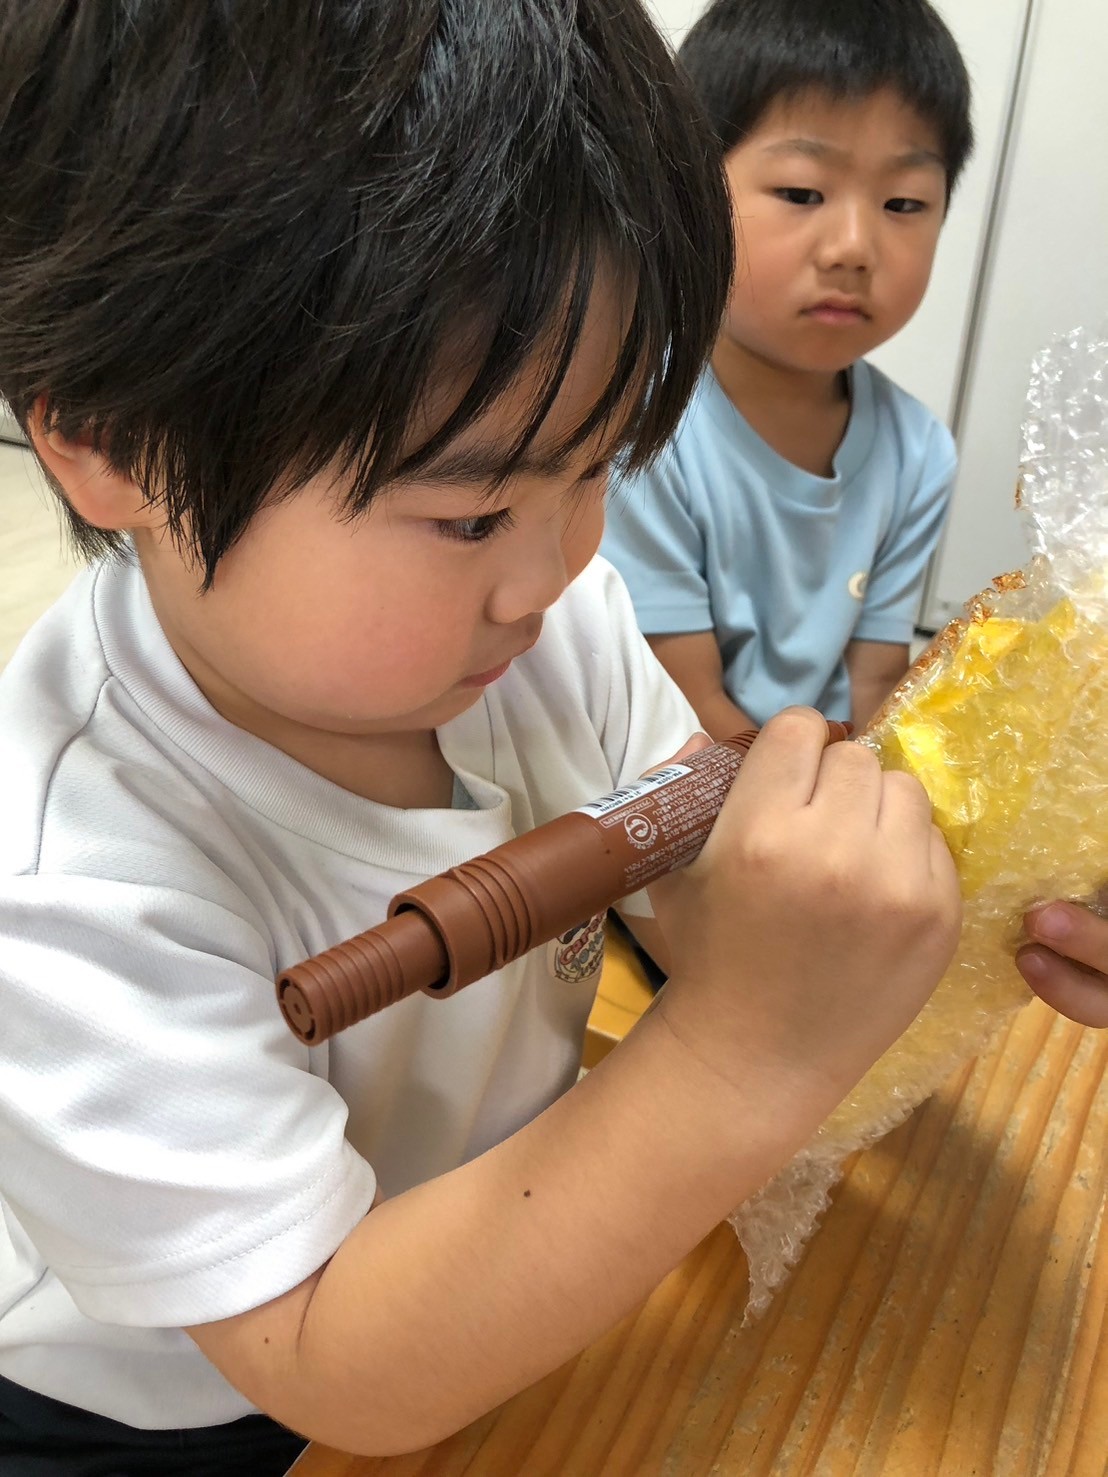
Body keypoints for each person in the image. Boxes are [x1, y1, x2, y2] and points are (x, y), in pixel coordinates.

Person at [0, 4, 969, 1472]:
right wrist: (738, 1053)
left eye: (597, 467)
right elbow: (333, 1361)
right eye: (470, 513)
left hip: (503, 1256)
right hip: (184, 1404)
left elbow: (699, 887)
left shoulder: (536, 627)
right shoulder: (67, 888)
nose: (554, 571)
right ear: (114, 442)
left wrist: (942, 892)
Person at [601, 0, 973, 737]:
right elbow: (683, 702)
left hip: (820, 764)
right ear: (689, 190)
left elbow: (878, 683)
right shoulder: (639, 419)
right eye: (802, 193)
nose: (853, 247)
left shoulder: (919, 450)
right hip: (674, 766)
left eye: (904, 203)